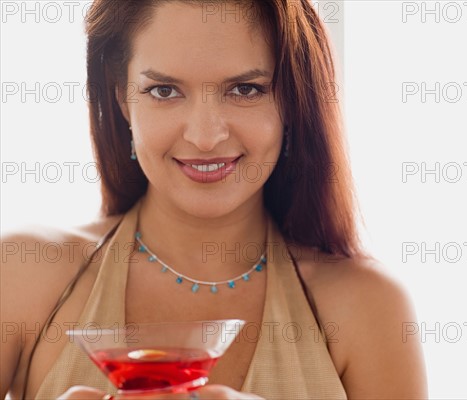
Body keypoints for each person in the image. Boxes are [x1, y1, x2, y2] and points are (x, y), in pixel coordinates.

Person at [0, 0, 428, 399]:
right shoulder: (24, 272)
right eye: (164, 91)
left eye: (245, 89)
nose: (205, 138)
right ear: (122, 101)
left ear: (293, 102)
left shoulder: (369, 308)